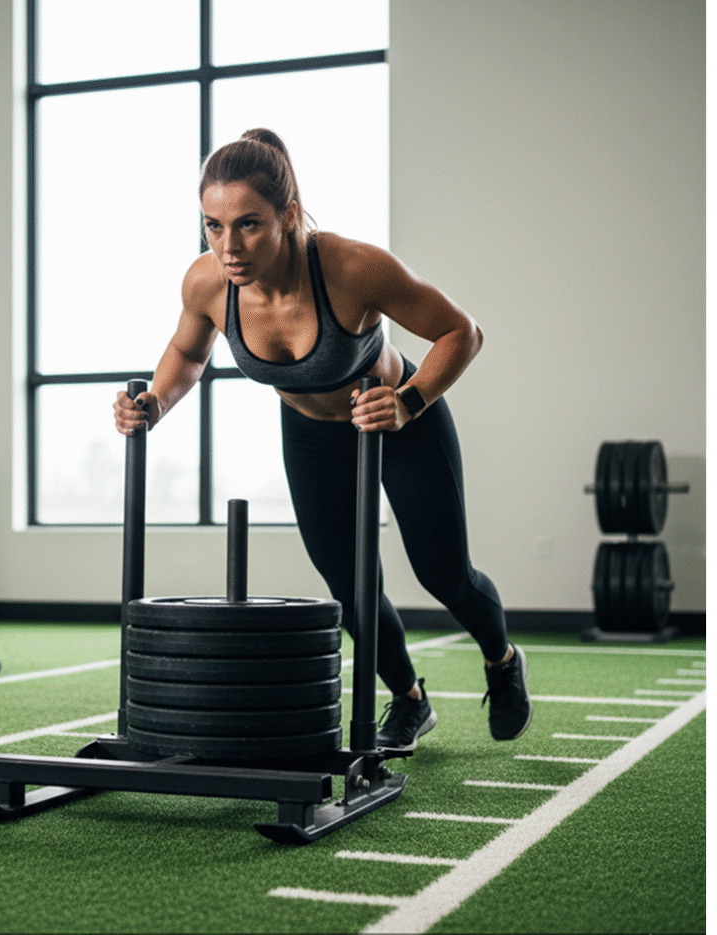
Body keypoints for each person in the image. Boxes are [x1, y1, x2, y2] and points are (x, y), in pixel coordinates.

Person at [113, 128, 532, 749]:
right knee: (352, 584)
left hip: (397, 423)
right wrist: (155, 404)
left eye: (248, 225)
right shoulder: (206, 285)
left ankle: (502, 661)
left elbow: (460, 332)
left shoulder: (350, 269)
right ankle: (409, 699)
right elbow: (186, 352)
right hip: (313, 435)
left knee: (444, 574)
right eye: (212, 226)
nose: (229, 246)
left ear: (287, 215)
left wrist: (409, 401)